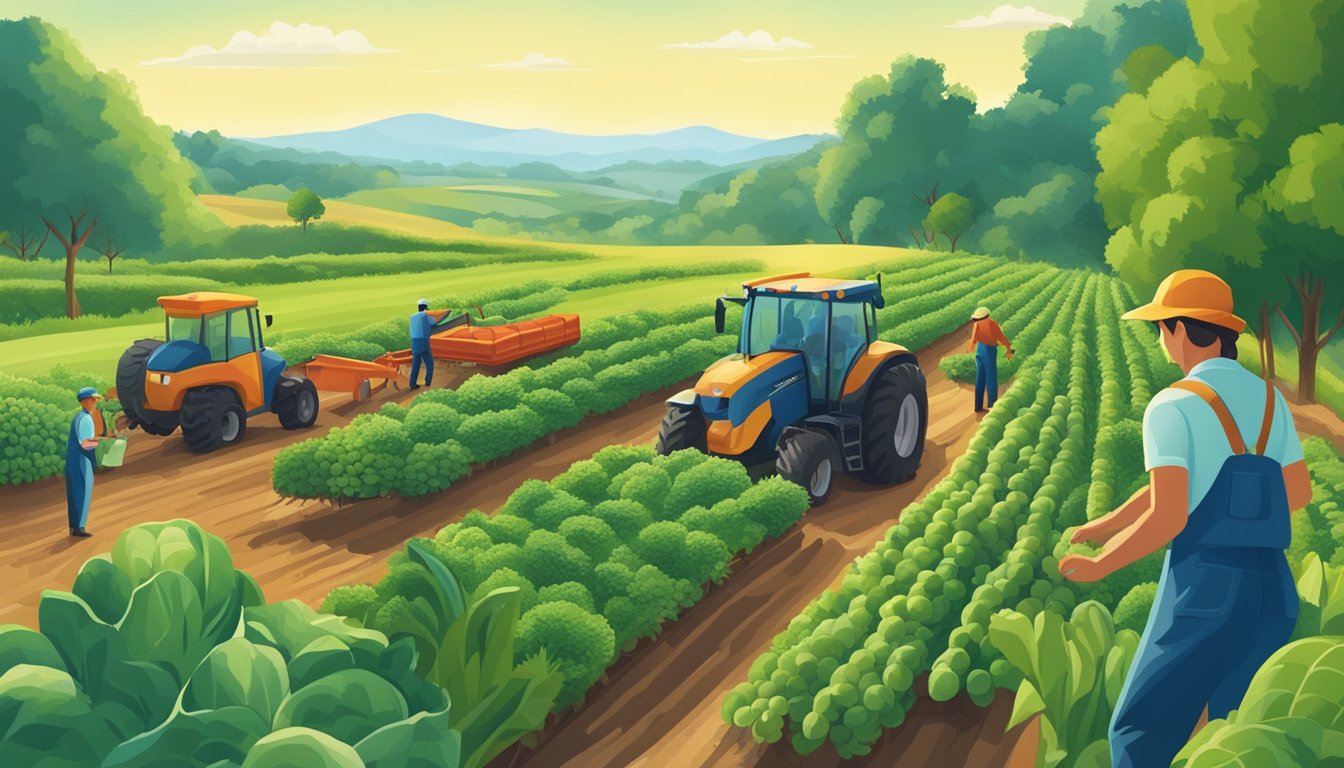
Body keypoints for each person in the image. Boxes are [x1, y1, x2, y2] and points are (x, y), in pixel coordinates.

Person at [1059, 270, 1311, 768]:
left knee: (1137, 731)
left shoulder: (1172, 404)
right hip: (1271, 591)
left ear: (1179, 330)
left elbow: (1170, 513)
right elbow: (1297, 493)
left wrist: (1100, 564)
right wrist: (1108, 521)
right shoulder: (1270, 401)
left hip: (1204, 592)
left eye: (1161, 327)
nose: (1160, 340)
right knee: (1233, 736)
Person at [66, 387, 112, 538]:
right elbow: (85, 443)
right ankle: (79, 527)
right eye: (93, 400)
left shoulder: (78, 417)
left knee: (74, 493)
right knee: (82, 492)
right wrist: (103, 445)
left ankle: (74, 526)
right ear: (85, 401)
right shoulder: (86, 419)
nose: (95, 403)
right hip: (81, 460)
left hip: (72, 460)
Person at [966, 307, 1013, 412]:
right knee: (991, 378)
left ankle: (978, 406)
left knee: (980, 379)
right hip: (989, 351)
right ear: (987, 315)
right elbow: (1001, 338)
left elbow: (973, 340)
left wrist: (970, 349)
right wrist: (1008, 348)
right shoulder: (992, 324)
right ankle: (992, 405)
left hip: (980, 351)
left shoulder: (976, 325)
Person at [409, 298, 434, 389]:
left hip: (414, 342)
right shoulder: (427, 316)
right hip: (423, 342)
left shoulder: (412, 316)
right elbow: (434, 323)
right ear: (426, 307)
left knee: (415, 364)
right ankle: (428, 382)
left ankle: (412, 384)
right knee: (430, 363)